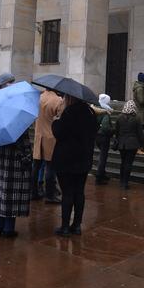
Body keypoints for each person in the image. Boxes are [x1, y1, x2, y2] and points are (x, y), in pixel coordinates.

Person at [51, 94, 97, 237]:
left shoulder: (69, 113)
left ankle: (65, 226)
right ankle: (76, 225)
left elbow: (59, 133)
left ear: (70, 99)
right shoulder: (90, 113)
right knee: (79, 192)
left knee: (67, 193)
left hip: (66, 159)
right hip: (83, 159)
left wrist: (55, 121)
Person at [0, 73, 31, 238]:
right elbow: (24, 143)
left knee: (1, 192)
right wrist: (27, 156)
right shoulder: (18, 118)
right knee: (11, 196)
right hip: (15, 162)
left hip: (2, 160)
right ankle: (8, 229)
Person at [32, 89, 64, 203]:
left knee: (36, 167)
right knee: (50, 167)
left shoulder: (38, 98)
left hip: (38, 136)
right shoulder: (57, 100)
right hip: (51, 138)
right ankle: (50, 195)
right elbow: (61, 119)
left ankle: (33, 192)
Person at [114, 100, 144, 189]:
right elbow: (140, 133)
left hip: (121, 143)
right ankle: (125, 183)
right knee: (128, 163)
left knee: (123, 162)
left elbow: (117, 131)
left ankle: (121, 181)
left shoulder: (119, 117)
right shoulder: (136, 118)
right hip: (132, 144)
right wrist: (142, 143)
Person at [93, 94, 114, 185]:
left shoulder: (96, 109)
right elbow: (105, 127)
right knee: (103, 157)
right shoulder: (105, 112)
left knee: (102, 156)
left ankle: (103, 173)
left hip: (96, 135)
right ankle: (99, 176)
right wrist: (112, 130)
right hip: (103, 137)